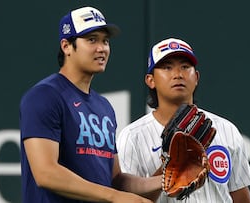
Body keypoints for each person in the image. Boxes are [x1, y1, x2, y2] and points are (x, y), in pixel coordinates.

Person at [19, 6, 161, 203]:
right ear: (66, 46)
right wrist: (115, 197)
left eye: (105, 41)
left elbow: (116, 179)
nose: (101, 48)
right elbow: (46, 173)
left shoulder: (104, 107)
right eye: (91, 39)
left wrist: (165, 181)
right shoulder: (44, 96)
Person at [117, 38, 250, 203]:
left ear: (196, 77)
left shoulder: (225, 129)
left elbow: (241, 197)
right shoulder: (133, 136)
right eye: (167, 67)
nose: (178, 74)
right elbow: (128, 200)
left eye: (185, 67)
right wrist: (171, 165)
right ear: (151, 80)